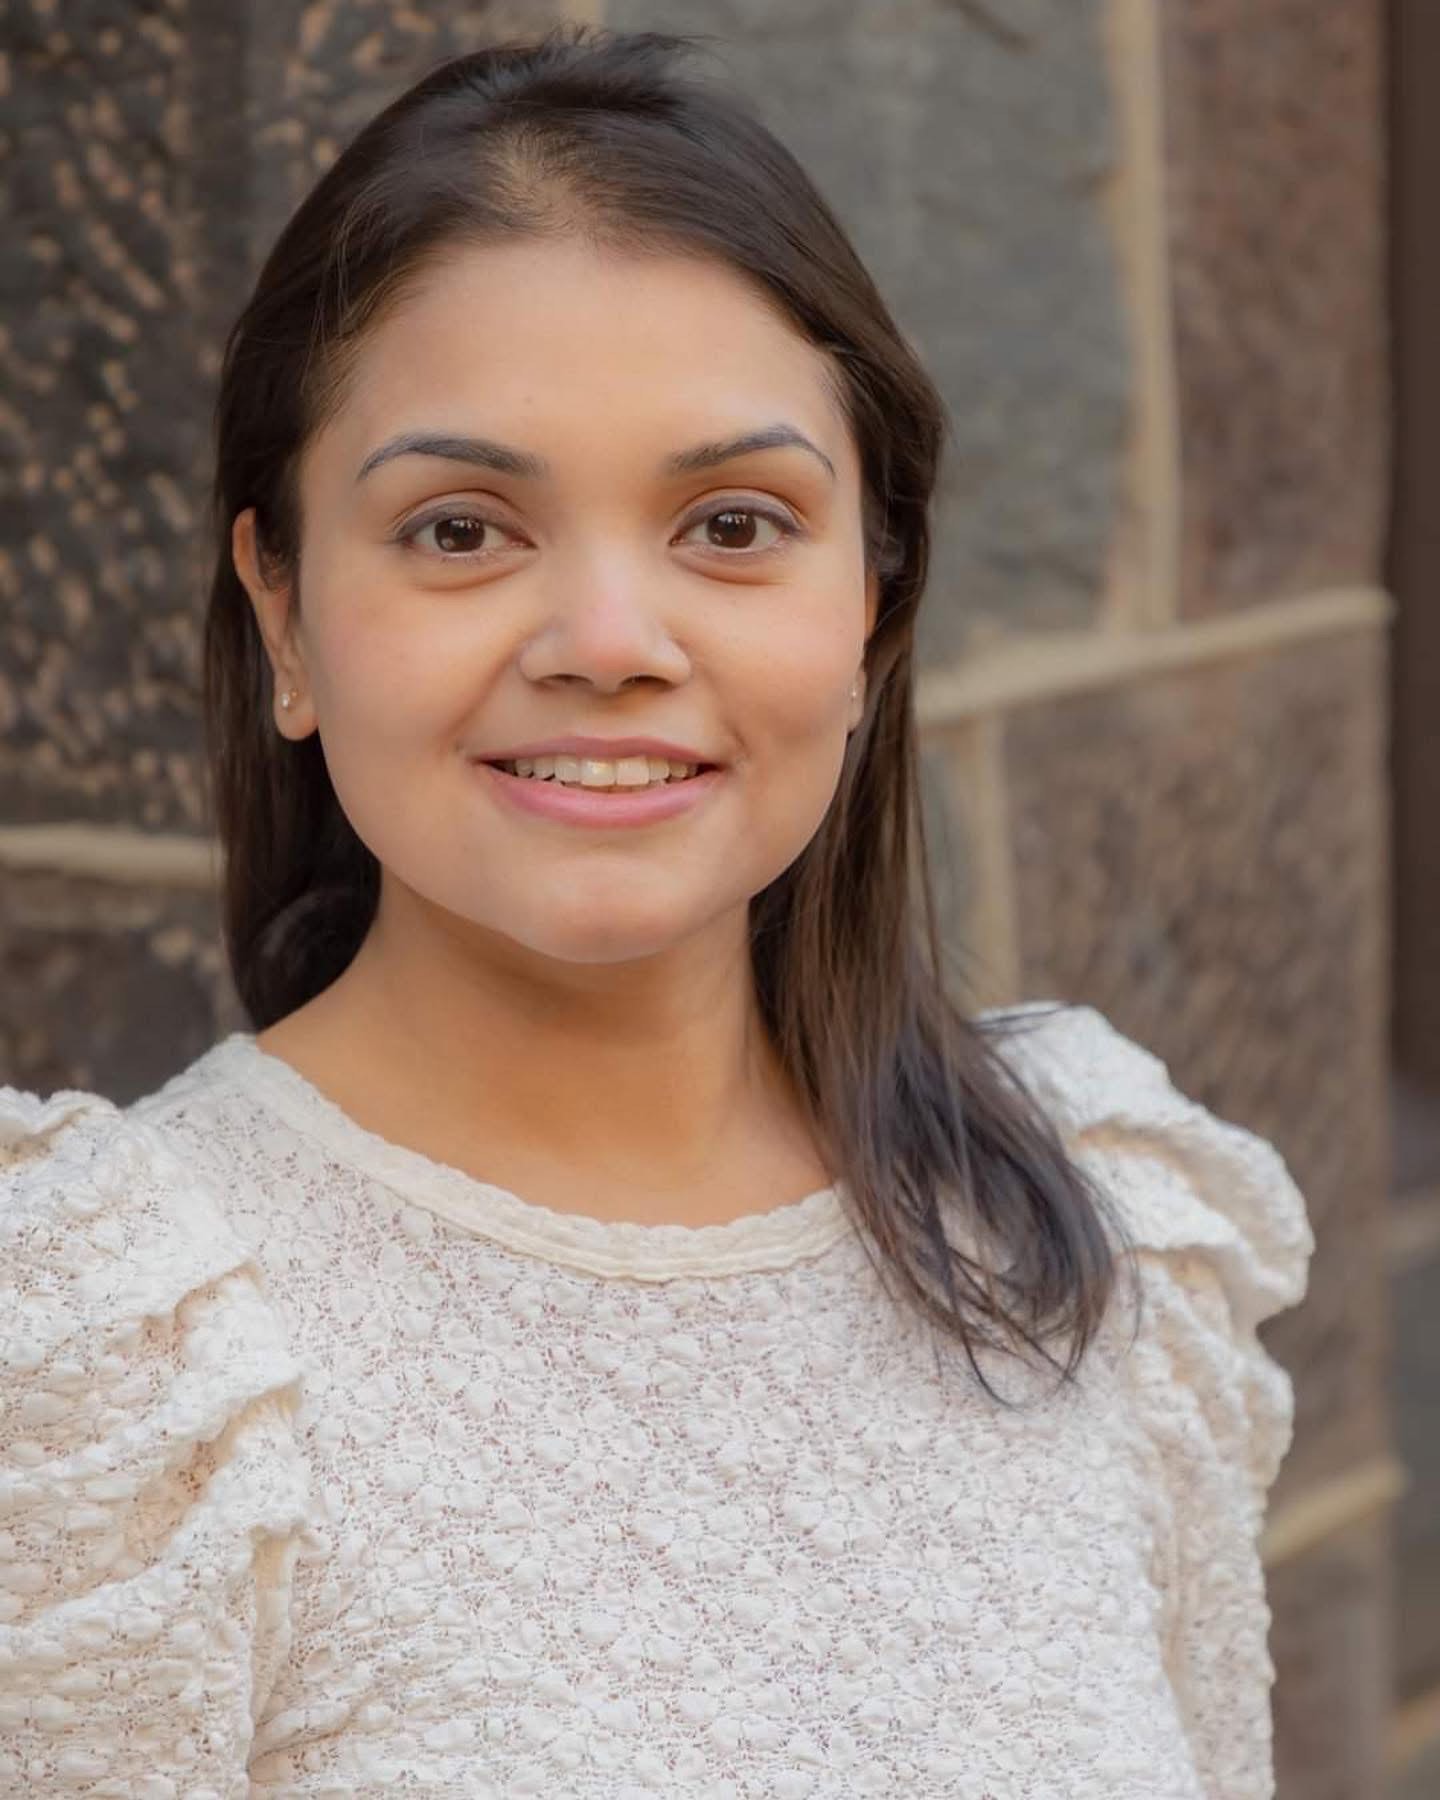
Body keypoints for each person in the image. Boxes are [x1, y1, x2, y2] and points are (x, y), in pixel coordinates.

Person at [0, 25, 1313, 1798]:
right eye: (462, 531)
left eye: (735, 523)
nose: (612, 640)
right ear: (287, 612)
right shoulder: (111, 1375)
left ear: (875, 599)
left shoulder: (1084, 1217)